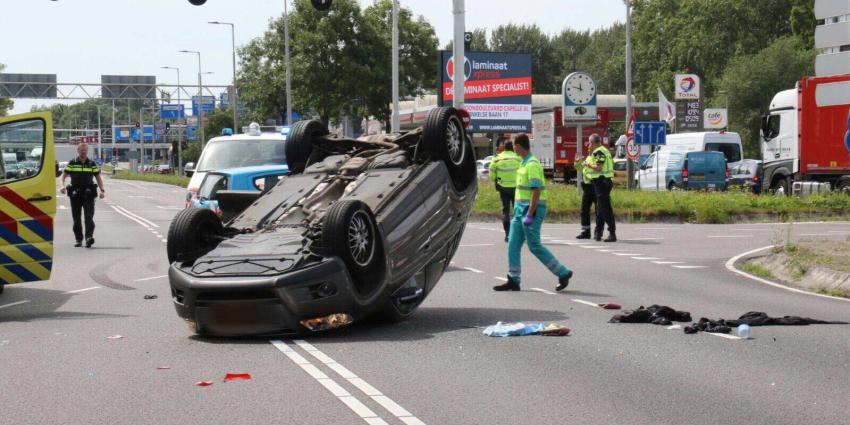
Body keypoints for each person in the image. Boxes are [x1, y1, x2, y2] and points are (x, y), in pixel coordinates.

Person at [494, 134, 573, 292]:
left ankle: (563, 272)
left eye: (514, 146)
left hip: (532, 210)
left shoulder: (532, 164)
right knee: (513, 243)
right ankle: (513, 279)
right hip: (519, 210)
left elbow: (536, 191)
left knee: (534, 245)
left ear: (519, 146)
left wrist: (530, 214)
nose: (513, 148)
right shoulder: (523, 163)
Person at [60, 143, 105, 248]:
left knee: (89, 217)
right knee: (76, 218)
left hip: (88, 194)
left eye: (85, 150)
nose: (83, 152)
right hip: (75, 194)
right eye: (81, 150)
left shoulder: (92, 164)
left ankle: (89, 238)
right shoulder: (72, 162)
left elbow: (98, 178)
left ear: (87, 151)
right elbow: (63, 176)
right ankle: (78, 239)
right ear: (78, 151)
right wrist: (62, 186)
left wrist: (102, 190)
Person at [489, 141, 521, 242]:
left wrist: (497, 181)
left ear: (504, 148)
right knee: (518, 212)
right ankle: (518, 235)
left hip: (503, 188)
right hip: (517, 188)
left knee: (505, 211)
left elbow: (492, 175)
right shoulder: (518, 158)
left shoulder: (497, 158)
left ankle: (507, 235)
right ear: (512, 148)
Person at [586, 135, 616, 242]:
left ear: (593, 143)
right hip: (604, 181)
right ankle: (598, 233)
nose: (588, 145)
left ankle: (612, 233)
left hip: (602, 182)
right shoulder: (605, 150)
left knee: (605, 208)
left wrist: (588, 164)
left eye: (589, 143)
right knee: (601, 208)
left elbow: (599, 168)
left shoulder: (598, 151)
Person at [576, 134, 599, 239]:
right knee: (584, 210)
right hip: (587, 187)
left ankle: (598, 231)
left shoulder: (597, 157)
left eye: (590, 145)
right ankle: (586, 231)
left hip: (595, 185)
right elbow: (579, 168)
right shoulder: (588, 158)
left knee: (598, 210)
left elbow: (598, 168)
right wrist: (577, 161)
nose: (588, 147)